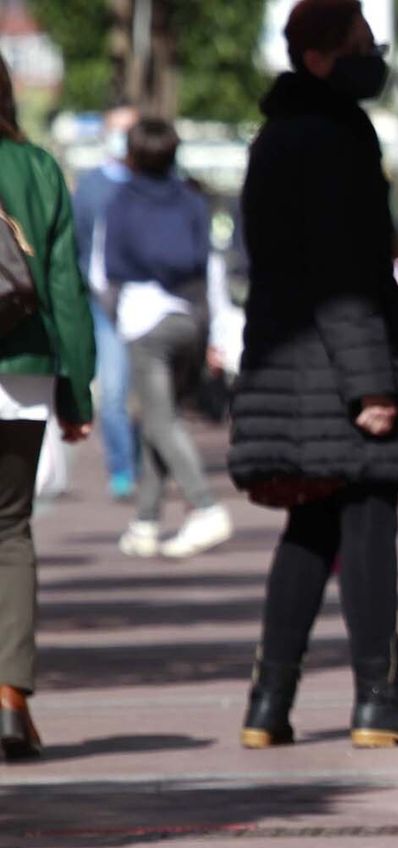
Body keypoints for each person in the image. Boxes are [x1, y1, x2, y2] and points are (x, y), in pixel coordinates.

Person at [229, 0, 398, 752]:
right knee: (367, 518)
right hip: (336, 366)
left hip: (289, 362)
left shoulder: (277, 135)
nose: (373, 57)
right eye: (360, 44)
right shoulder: (336, 136)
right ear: (320, 57)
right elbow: (345, 274)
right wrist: (372, 386)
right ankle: (378, 697)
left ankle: (268, 703)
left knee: (311, 523)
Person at [0, 55, 96, 760]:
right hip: (22, 366)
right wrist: (76, 387)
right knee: (9, 528)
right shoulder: (35, 168)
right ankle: (9, 697)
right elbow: (64, 285)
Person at [104, 118, 234, 560]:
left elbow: (107, 270)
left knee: (159, 421)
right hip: (188, 319)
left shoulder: (122, 202)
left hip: (145, 322)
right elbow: (207, 266)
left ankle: (205, 505)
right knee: (162, 416)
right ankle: (145, 521)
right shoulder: (191, 202)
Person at [71, 105, 139, 501]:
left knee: (148, 394)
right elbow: (76, 244)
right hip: (104, 306)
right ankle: (123, 468)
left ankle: (148, 463)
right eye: (117, 130)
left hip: (147, 304)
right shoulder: (90, 186)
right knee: (113, 392)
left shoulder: (154, 179)